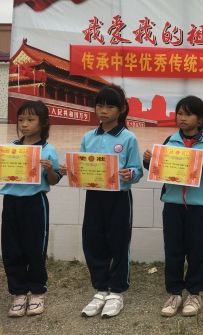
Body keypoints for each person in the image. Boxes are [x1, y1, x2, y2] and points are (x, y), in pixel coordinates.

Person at [59, 85, 143, 318]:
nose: (103, 111)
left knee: (118, 242)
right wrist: (70, 170)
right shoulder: (89, 137)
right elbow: (82, 168)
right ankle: (100, 289)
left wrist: (130, 173)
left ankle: (117, 292)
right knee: (94, 240)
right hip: (94, 197)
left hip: (119, 198)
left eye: (110, 106)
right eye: (100, 106)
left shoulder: (128, 138)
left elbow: (137, 170)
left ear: (122, 109)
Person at [143, 95, 203, 318]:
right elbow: (158, 170)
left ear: (199, 119)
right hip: (172, 204)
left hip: (198, 206)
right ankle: (174, 293)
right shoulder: (169, 141)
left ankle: (194, 294)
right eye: (179, 113)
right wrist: (148, 160)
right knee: (173, 250)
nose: (182, 118)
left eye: (188, 114)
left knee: (195, 250)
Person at [1, 100, 62, 317]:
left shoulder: (48, 150)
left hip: (35, 203)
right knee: (11, 249)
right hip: (11, 202)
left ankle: (37, 292)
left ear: (43, 123)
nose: (24, 124)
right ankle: (18, 293)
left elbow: (54, 180)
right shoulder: (12, 149)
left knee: (35, 248)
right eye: (21, 120)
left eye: (30, 119)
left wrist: (50, 170)